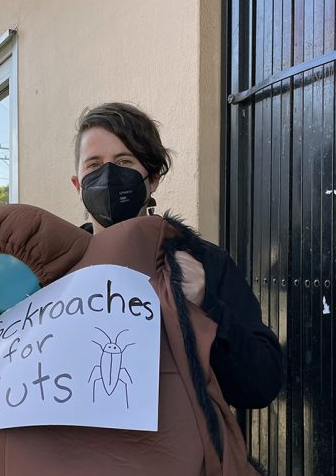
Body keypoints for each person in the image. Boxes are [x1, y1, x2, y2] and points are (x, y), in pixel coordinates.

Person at [69, 102, 283, 409]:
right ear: (77, 185)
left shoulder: (204, 264)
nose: (108, 175)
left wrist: (207, 305)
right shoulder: (55, 270)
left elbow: (261, 384)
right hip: (80, 454)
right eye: (93, 164)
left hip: (177, 455)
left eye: (124, 161)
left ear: (153, 178)